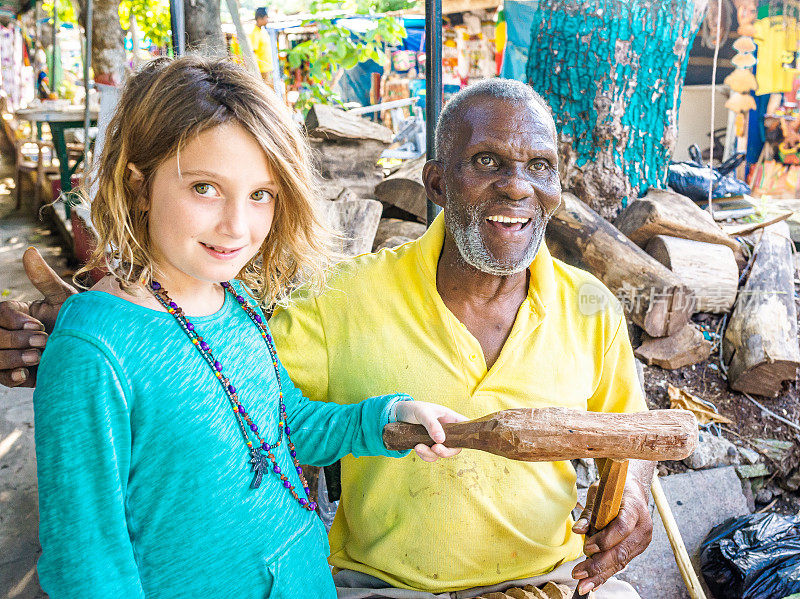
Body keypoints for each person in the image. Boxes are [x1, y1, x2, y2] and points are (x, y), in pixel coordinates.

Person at [0, 79, 654, 598]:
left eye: (260, 194)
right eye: (487, 161)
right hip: (388, 587)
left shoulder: (590, 307)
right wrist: (64, 339)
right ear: (435, 182)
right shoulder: (338, 299)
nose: (517, 185)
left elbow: (630, 425)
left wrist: (638, 494)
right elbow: (171, 382)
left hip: (538, 580)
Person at [24, 56, 463, 598]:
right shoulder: (94, 349)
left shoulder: (237, 303)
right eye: (205, 188)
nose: (237, 226)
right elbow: (86, 566)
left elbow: (287, 424)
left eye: (261, 195)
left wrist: (389, 416)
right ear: (139, 186)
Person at [249, 7, 274, 85]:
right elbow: (253, 53)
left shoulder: (263, 31)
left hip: (267, 68)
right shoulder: (254, 33)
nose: (267, 20)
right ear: (260, 19)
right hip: (261, 70)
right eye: (266, 18)